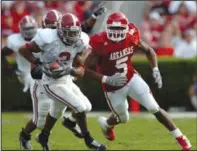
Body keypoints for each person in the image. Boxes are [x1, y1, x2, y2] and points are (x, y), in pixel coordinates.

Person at [84, 12, 192, 150]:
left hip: (131, 78)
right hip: (112, 87)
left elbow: (149, 50)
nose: (116, 33)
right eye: (113, 29)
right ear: (107, 28)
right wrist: (106, 79)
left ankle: (180, 137)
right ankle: (107, 124)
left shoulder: (131, 35)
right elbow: (86, 70)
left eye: (119, 29)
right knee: (123, 118)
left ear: (126, 28)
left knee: (153, 107)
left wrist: (155, 69)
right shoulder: (100, 42)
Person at [18, 7, 106, 150]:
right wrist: (38, 64)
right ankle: (88, 139)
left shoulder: (78, 39)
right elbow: (25, 53)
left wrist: (70, 70)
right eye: (51, 26)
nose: (72, 36)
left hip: (65, 80)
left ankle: (44, 136)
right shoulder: (44, 38)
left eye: (74, 33)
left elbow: (80, 68)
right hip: (46, 82)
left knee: (71, 109)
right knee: (41, 120)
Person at [1, 15, 37, 93]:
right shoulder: (15, 41)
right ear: (21, 29)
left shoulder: (42, 36)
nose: (29, 31)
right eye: (27, 28)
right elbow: (3, 53)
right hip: (24, 73)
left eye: (31, 28)